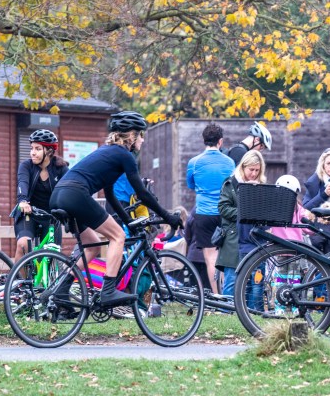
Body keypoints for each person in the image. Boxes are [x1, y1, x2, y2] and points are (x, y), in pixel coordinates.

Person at [49, 111, 181, 307]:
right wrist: (168, 216)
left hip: (58, 195)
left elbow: (109, 194)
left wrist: (129, 222)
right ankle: (108, 291)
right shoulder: (124, 155)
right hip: (75, 194)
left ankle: (61, 290)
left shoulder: (108, 153)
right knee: (117, 236)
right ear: (131, 135)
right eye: (141, 135)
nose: (143, 140)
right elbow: (143, 193)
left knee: (92, 245)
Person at [186, 123, 235, 294]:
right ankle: (226, 295)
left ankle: (216, 296)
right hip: (225, 213)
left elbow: (190, 184)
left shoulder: (194, 162)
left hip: (204, 213)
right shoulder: (230, 162)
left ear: (204, 140)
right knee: (224, 257)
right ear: (220, 141)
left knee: (210, 258)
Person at [216, 150, 266, 298]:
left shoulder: (260, 185)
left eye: (257, 170)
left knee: (254, 281)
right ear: (243, 167)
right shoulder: (230, 183)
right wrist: (245, 213)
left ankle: (252, 312)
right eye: (251, 170)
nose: (254, 174)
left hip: (253, 237)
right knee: (232, 279)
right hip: (233, 237)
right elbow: (223, 208)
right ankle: (227, 311)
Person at [13, 129, 69, 260]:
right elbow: (23, 183)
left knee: (51, 255)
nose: (32, 152)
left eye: (37, 149)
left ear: (49, 151)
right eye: (31, 148)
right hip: (29, 213)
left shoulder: (61, 169)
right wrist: (23, 201)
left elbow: (70, 189)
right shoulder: (26, 166)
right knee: (23, 245)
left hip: (51, 217)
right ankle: (18, 281)